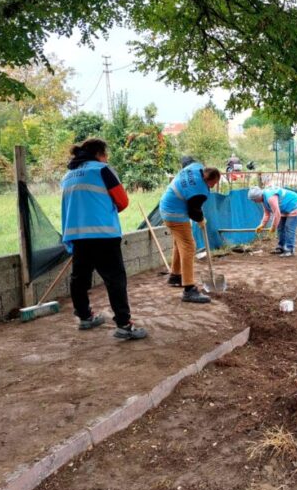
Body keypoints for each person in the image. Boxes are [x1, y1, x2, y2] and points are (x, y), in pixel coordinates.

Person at [61, 138, 146, 340]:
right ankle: (124, 325)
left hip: (77, 236)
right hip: (103, 235)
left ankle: (85, 317)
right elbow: (122, 201)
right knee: (115, 280)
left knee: (79, 279)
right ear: (99, 154)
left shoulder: (68, 175)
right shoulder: (102, 170)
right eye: (106, 155)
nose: (107, 159)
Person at [159, 162, 221, 303]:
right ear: (207, 179)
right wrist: (201, 219)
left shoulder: (195, 167)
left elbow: (186, 160)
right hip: (175, 214)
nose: (213, 186)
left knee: (179, 242)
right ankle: (189, 290)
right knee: (188, 246)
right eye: (213, 183)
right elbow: (193, 212)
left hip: (166, 206)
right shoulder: (199, 191)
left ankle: (175, 276)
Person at [248, 186, 297, 257]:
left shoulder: (270, 198)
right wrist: (262, 225)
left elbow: (277, 215)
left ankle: (290, 250)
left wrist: (273, 227)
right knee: (280, 227)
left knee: (289, 228)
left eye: (254, 200)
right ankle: (281, 247)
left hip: (294, 205)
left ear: (258, 196)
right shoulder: (263, 199)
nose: (254, 201)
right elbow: (267, 213)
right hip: (284, 207)